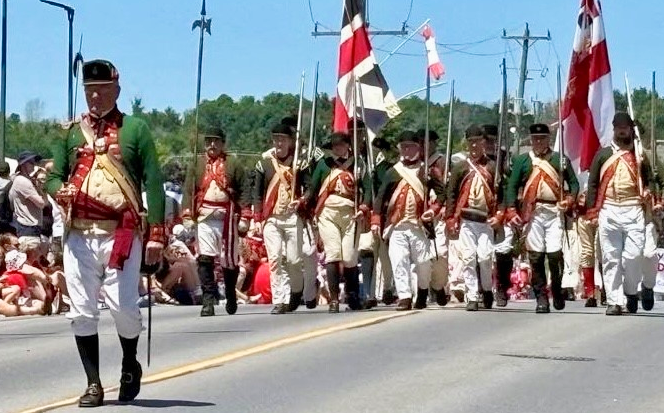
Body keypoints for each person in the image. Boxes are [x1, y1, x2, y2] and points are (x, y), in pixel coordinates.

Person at [46, 59, 166, 407]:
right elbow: (55, 176)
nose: (94, 97)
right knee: (80, 311)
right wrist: (60, 191)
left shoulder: (135, 129)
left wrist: (156, 234)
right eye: (89, 91)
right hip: (79, 233)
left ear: (116, 89)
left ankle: (130, 363)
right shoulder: (70, 132)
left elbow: (154, 183)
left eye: (101, 90)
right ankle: (94, 383)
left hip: (122, 233)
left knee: (124, 308)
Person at [585, 112, 654, 315]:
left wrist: (649, 190)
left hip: (633, 208)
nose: (623, 130)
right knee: (611, 257)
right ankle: (614, 301)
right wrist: (592, 212)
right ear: (614, 129)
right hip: (610, 208)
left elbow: (650, 179)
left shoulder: (639, 155)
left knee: (633, 256)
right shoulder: (604, 154)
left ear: (630, 129)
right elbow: (593, 184)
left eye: (626, 127)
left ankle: (630, 291)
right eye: (619, 127)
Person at [505, 123, 579, 313]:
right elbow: (512, 187)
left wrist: (569, 200)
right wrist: (512, 210)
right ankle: (541, 297)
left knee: (554, 254)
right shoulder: (522, 161)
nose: (538, 142)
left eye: (542, 138)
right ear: (531, 140)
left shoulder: (559, 160)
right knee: (536, 256)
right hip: (534, 211)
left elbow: (573, 183)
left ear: (548, 139)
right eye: (535, 139)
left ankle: (556, 285)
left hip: (554, 210)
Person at [371, 131, 445, 310]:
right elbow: (380, 198)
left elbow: (442, 193)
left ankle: (422, 290)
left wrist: (433, 210)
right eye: (403, 147)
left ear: (418, 148)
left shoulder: (427, 171)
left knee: (423, 264)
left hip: (419, 226)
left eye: (410, 146)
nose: (406, 150)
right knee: (399, 260)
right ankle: (404, 296)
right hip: (397, 225)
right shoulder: (393, 172)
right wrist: (375, 220)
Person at [185, 126, 251, 317]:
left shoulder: (233, 164)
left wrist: (245, 216)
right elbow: (189, 190)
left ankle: (230, 293)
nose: (211, 145)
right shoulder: (197, 165)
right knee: (205, 258)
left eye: (215, 141)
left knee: (228, 260)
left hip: (227, 217)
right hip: (205, 215)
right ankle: (208, 300)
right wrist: (188, 215)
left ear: (223, 143)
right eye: (208, 141)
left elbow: (244, 190)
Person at [305, 132, 371, 313]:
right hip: (328, 212)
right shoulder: (324, 165)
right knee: (333, 253)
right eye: (334, 146)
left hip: (351, 212)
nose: (337, 149)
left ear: (348, 146)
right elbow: (313, 187)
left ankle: (353, 296)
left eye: (341, 145)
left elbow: (367, 189)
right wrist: (304, 200)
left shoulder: (358, 164)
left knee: (349, 257)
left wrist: (363, 207)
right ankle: (334, 299)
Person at [253, 123, 310, 314]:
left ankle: (296, 290)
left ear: (290, 142)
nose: (279, 143)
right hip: (272, 218)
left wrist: (301, 201)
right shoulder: (264, 164)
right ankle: (280, 300)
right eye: (276, 139)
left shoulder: (298, 164)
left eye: (283, 139)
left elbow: (310, 189)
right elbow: (258, 194)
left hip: (292, 217)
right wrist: (258, 218)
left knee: (294, 261)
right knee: (275, 258)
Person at [445, 125, 498, 311]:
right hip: (466, 218)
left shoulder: (492, 167)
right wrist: (450, 218)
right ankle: (472, 296)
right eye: (471, 142)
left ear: (484, 143)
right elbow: (451, 194)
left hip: (485, 220)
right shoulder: (461, 167)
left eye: (477, 141)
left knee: (484, 257)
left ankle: (487, 289)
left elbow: (500, 192)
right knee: (468, 258)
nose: (474, 145)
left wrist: (500, 215)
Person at [482, 124, 514, 307]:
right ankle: (482, 288)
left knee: (504, 250)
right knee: (482, 254)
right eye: (486, 140)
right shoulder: (477, 160)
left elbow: (513, 182)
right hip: (483, 210)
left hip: (503, 208)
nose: (489, 144)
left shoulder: (505, 158)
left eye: (493, 140)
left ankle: (502, 286)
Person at [10, 151, 48, 253]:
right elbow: (41, 203)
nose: (34, 164)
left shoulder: (24, 180)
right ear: (23, 164)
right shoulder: (23, 181)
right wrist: (43, 188)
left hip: (29, 229)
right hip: (28, 229)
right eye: (30, 162)